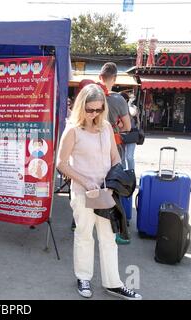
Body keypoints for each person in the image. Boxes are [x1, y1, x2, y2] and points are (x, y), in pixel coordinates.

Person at [57, 84, 142, 300]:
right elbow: (61, 163)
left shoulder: (105, 127)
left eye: (98, 109)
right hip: (83, 193)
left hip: (106, 193)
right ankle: (83, 278)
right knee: (84, 235)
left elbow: (115, 157)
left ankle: (113, 283)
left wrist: (114, 179)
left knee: (108, 237)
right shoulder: (73, 130)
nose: (94, 114)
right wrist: (85, 181)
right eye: (90, 109)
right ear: (81, 107)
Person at [98, 62, 131, 160]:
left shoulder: (90, 95)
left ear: (100, 77)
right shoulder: (119, 99)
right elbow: (127, 127)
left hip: (92, 141)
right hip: (112, 143)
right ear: (115, 78)